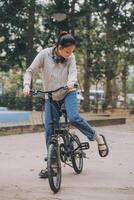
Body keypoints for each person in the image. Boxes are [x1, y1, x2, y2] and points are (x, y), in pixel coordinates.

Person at [23, 31, 109, 178]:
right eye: (67, 51)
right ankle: (53, 166)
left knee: (74, 117)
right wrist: (26, 84)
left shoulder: (71, 57)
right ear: (59, 47)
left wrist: (71, 81)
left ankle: (97, 137)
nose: (70, 54)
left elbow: (73, 72)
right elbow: (30, 71)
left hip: (68, 92)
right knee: (49, 130)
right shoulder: (44, 54)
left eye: (72, 51)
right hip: (51, 96)